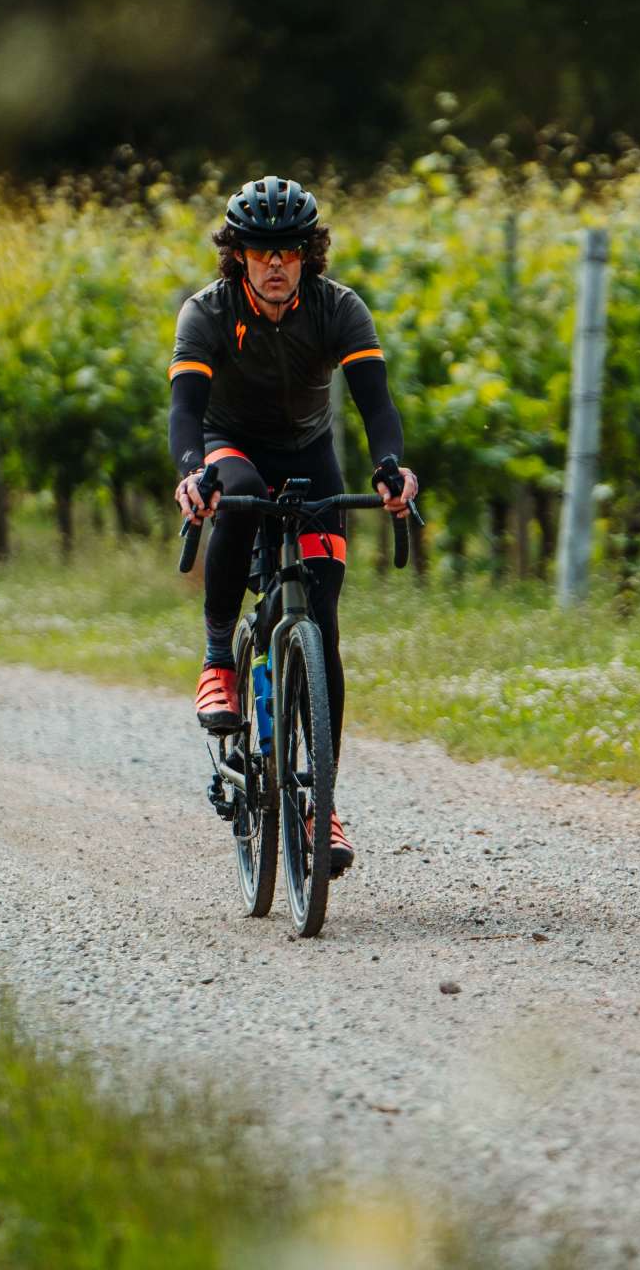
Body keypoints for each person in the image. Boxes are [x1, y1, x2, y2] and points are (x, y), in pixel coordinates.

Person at [169, 176, 419, 877]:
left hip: (310, 454)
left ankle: (321, 801)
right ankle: (220, 658)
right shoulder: (207, 314)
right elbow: (185, 412)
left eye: (289, 250)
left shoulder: (338, 309)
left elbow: (376, 406)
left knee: (324, 628)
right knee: (240, 492)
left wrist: (392, 468)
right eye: (260, 251)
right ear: (237, 255)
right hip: (231, 445)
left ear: (309, 254)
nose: (275, 264)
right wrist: (193, 473)